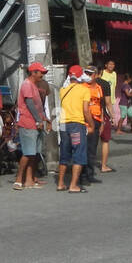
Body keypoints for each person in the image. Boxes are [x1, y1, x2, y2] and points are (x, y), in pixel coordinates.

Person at [56, 65, 93, 193]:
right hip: (76, 125)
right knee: (79, 152)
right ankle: (73, 185)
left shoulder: (62, 90)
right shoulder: (84, 90)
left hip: (63, 125)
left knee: (64, 153)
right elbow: (86, 111)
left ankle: (60, 183)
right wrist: (92, 125)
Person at [15, 62, 50, 190]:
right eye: (41, 72)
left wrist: (44, 118)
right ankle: (19, 179)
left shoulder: (34, 85)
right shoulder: (27, 85)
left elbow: (38, 106)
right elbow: (29, 104)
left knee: (34, 153)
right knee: (28, 153)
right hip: (28, 123)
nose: (42, 75)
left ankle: (29, 180)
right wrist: (38, 120)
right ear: (33, 72)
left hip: (36, 123)